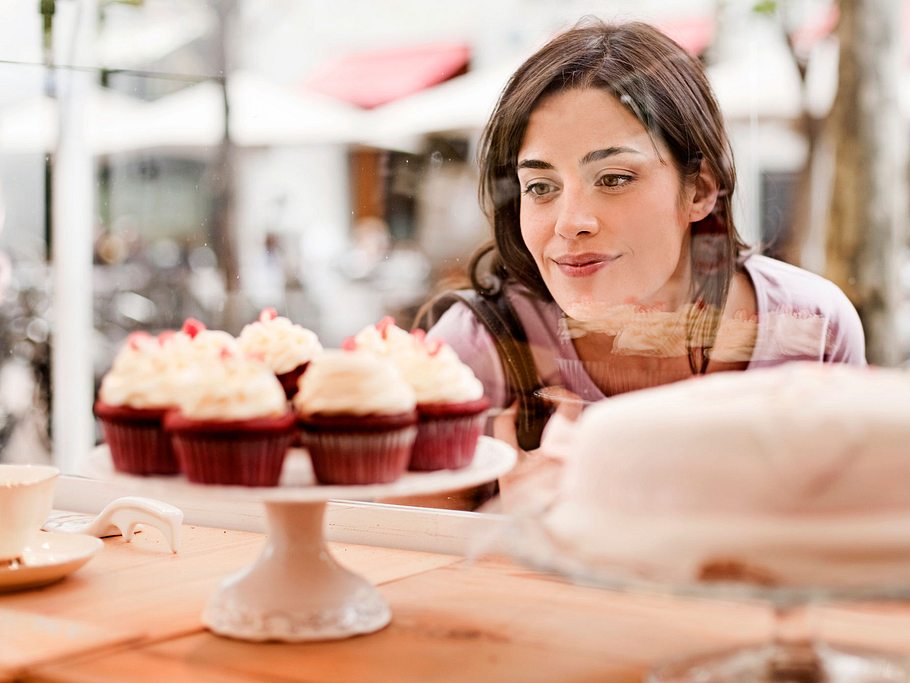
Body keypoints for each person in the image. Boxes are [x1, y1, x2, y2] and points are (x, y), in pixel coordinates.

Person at [420, 20, 865, 507]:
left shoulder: (809, 327)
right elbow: (400, 563)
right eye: (541, 187)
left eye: (612, 179)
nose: (570, 223)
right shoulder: (479, 348)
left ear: (698, 190)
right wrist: (507, 527)